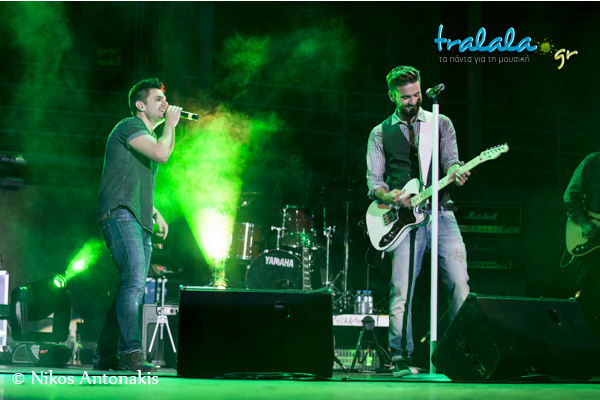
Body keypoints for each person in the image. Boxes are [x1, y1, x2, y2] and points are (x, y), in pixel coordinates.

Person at [366, 65, 470, 377]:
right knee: (402, 289)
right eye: (405, 97)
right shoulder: (380, 132)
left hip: (442, 212)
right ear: (391, 96)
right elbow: (374, 182)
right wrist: (389, 196)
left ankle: (459, 353)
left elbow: (451, 162)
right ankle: (399, 355)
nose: (412, 101)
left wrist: (457, 172)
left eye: (416, 94)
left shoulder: (441, 122)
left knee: (460, 284)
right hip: (403, 219)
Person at [94, 78, 182, 371]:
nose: (165, 104)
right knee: (133, 284)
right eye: (158, 99)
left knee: (129, 286)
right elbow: (162, 153)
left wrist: (155, 213)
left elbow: (130, 181)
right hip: (121, 214)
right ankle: (131, 352)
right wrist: (170, 126)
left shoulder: (146, 136)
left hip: (136, 217)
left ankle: (105, 355)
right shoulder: (130, 126)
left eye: (165, 99)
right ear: (140, 105)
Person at [564, 152, 600, 343]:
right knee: (588, 299)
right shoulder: (594, 162)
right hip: (591, 244)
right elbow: (571, 196)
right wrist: (584, 223)